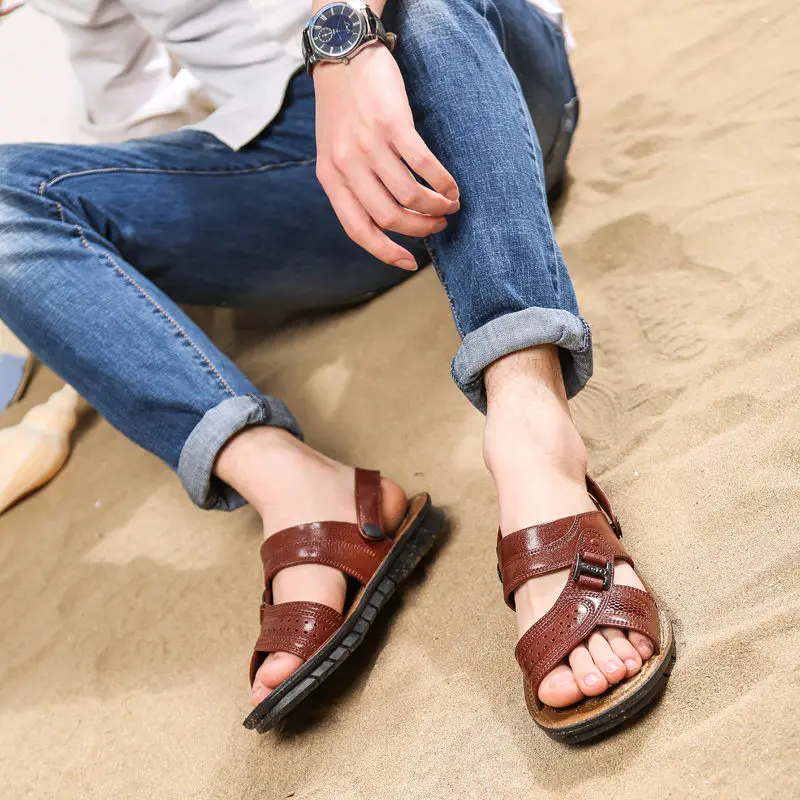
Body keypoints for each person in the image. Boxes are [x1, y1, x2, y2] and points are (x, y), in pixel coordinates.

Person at [0, 0, 673, 741]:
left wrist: (343, 43)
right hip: (313, 173)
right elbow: (132, 113)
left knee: (414, 12)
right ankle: (299, 489)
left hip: (473, 81)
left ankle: (534, 442)